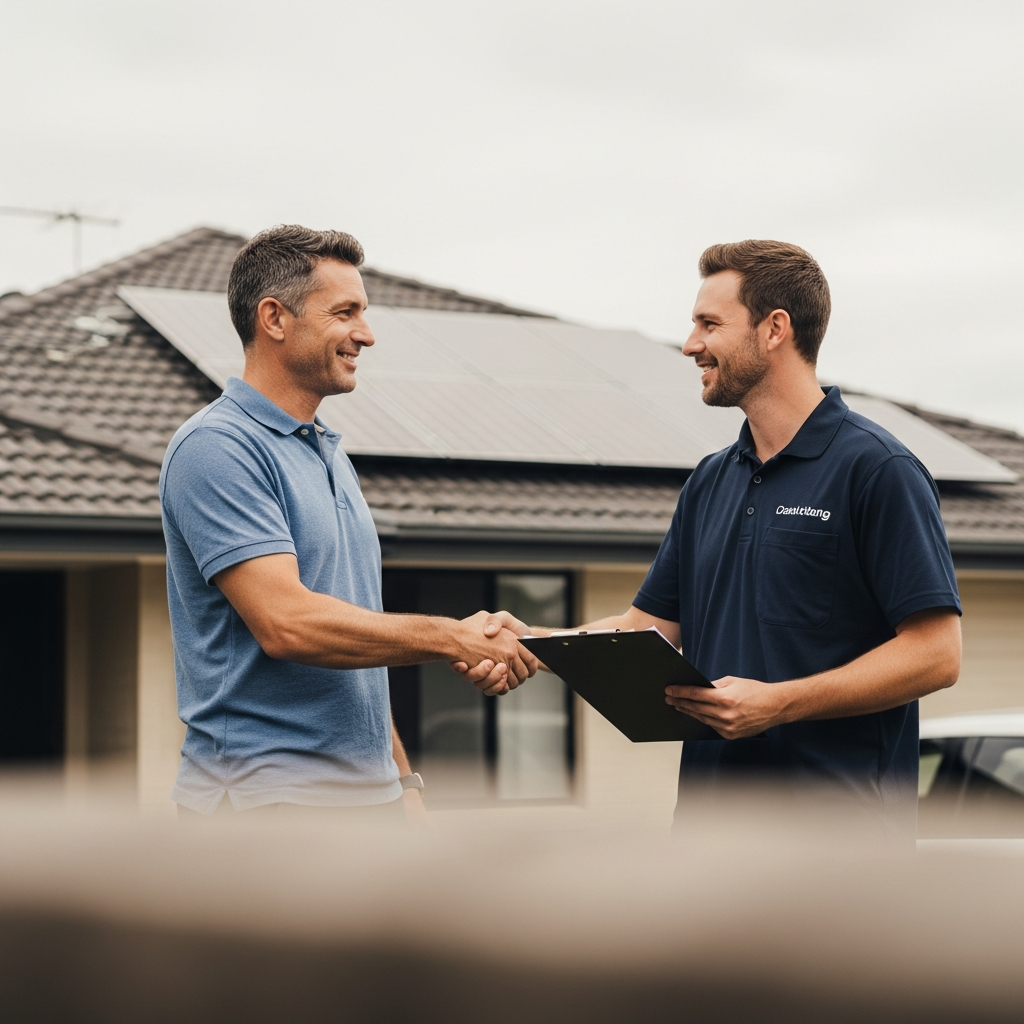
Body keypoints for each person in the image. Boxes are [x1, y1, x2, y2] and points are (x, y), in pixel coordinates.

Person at [464, 240, 962, 839]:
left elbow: (937, 653)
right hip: (710, 839)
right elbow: (644, 631)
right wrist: (535, 643)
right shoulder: (710, 480)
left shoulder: (877, 469)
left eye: (709, 324)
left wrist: (779, 702)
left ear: (774, 329)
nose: (690, 344)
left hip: (839, 849)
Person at [161, 225, 535, 818]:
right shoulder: (218, 447)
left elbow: (355, 639)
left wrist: (402, 780)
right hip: (268, 806)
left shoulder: (328, 452)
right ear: (274, 318)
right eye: (345, 312)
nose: (366, 333)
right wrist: (452, 637)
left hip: (370, 800)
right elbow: (288, 624)